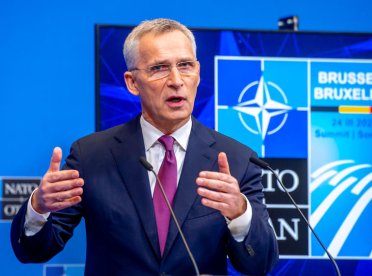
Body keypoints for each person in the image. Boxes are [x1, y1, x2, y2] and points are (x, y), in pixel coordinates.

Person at [11, 18, 278, 275]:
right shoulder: (90, 156)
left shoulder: (238, 160)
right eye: (159, 68)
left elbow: (260, 264)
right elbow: (33, 252)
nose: (176, 80)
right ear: (132, 83)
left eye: (185, 65)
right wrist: (39, 208)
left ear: (197, 73)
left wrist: (240, 214)